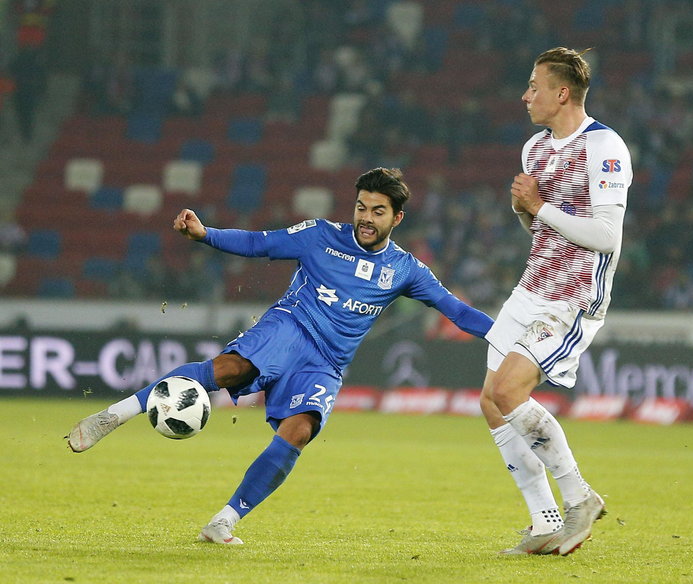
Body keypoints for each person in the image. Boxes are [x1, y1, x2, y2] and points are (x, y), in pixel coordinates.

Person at [66, 167, 494, 545]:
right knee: (230, 369)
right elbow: (259, 243)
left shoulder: (405, 270)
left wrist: (507, 338)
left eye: (377, 211)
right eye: (361, 207)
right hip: (290, 326)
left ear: (397, 218)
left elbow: (454, 310)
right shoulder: (321, 236)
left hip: (327, 362)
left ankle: (224, 520)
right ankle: (114, 415)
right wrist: (204, 234)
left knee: (300, 431)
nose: (365, 217)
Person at [479, 47, 632, 555]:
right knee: (491, 402)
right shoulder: (534, 150)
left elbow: (608, 236)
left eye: (534, 86)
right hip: (532, 283)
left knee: (510, 391)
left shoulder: (604, 146)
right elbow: (539, 226)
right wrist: (526, 210)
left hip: (574, 293)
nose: (526, 96)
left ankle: (579, 498)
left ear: (561, 93)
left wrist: (539, 204)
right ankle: (544, 523)